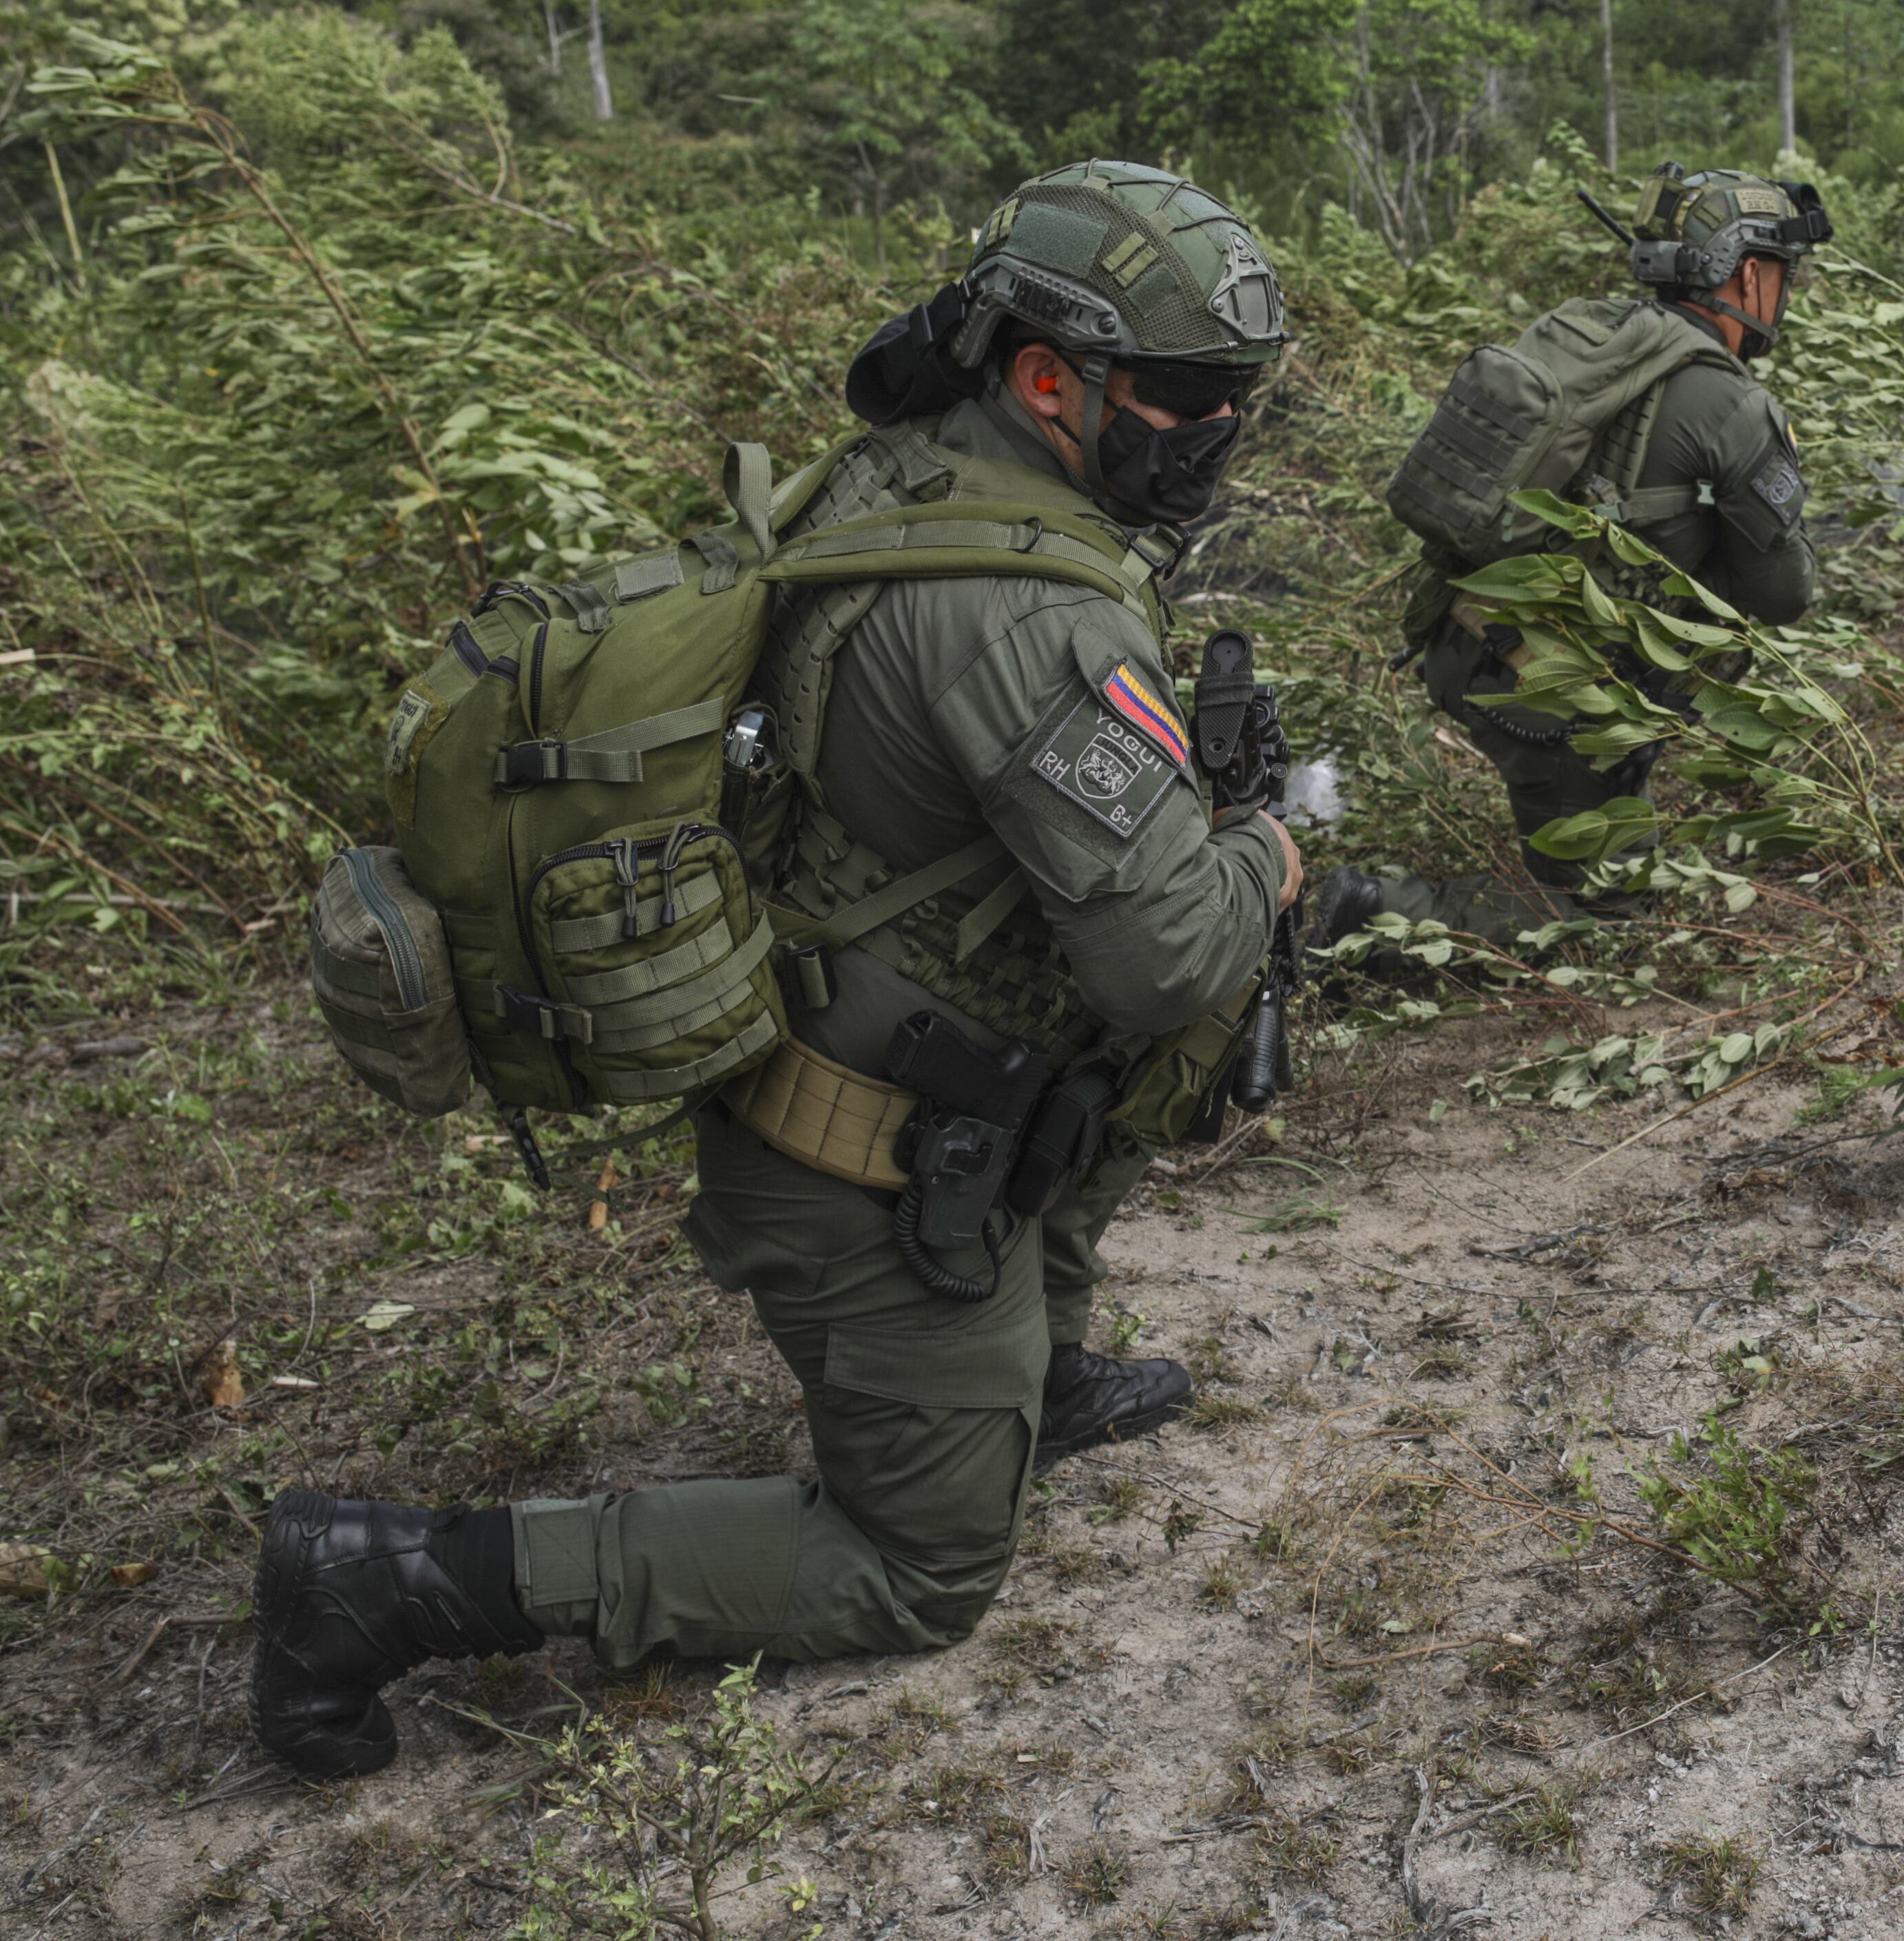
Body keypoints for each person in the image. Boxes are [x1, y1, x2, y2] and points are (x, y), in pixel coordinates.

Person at [252, 161, 1301, 1778]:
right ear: (1044, 376)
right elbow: (1166, 956)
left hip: (861, 1053)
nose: (1216, 427)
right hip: (868, 1154)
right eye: (1183, 396)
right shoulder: (1027, 612)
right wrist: (1264, 850)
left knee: (1109, 1051)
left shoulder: (900, 473)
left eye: (1235, 396)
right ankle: (383, 1581)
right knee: (922, 1569)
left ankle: (1044, 1365)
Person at [1323, 165, 1823, 944]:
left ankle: (1576, 844)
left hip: (1472, 641)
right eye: (1784, 274)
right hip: (1542, 692)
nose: (1785, 293)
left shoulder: (1602, 342)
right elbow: (1785, 594)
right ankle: (1366, 915)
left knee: (1597, 837)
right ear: (1751, 275)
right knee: (1607, 931)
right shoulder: (1731, 403)